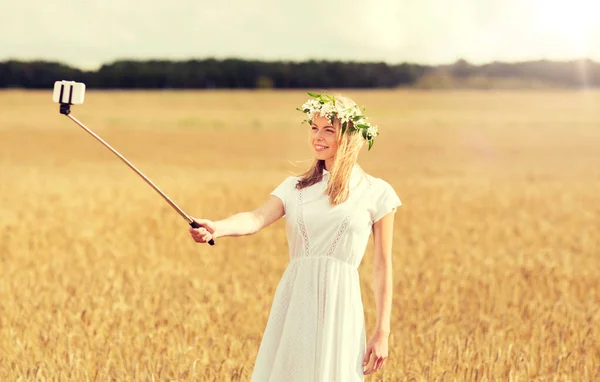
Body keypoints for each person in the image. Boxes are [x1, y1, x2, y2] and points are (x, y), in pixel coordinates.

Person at [189, 92, 401, 381]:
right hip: (296, 300)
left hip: (341, 305)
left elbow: (382, 265)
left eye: (329, 130)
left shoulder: (377, 192)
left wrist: (383, 331)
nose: (318, 137)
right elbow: (255, 218)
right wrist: (217, 227)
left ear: (349, 136)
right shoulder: (295, 187)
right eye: (314, 128)